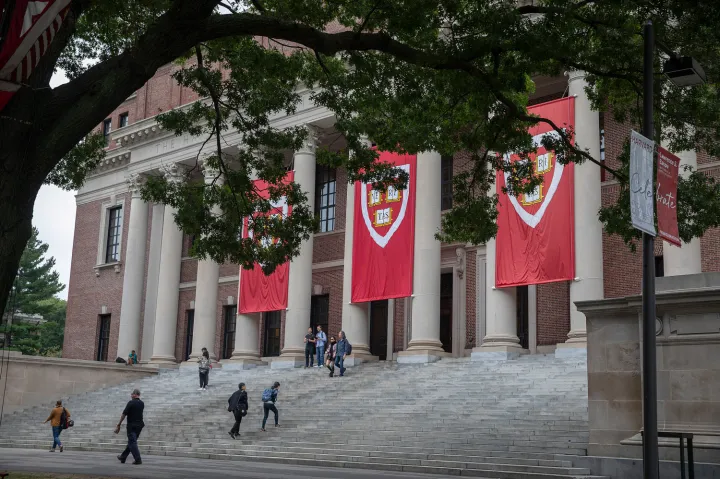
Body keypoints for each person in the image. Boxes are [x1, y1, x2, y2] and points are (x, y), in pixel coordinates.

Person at [115, 388, 144, 465]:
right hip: (140, 426)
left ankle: (138, 459)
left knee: (132, 442)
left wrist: (119, 424)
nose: (131, 395)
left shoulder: (131, 403)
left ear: (135, 395)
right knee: (131, 442)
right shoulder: (142, 403)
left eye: (132, 394)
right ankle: (123, 457)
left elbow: (124, 414)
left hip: (132, 426)